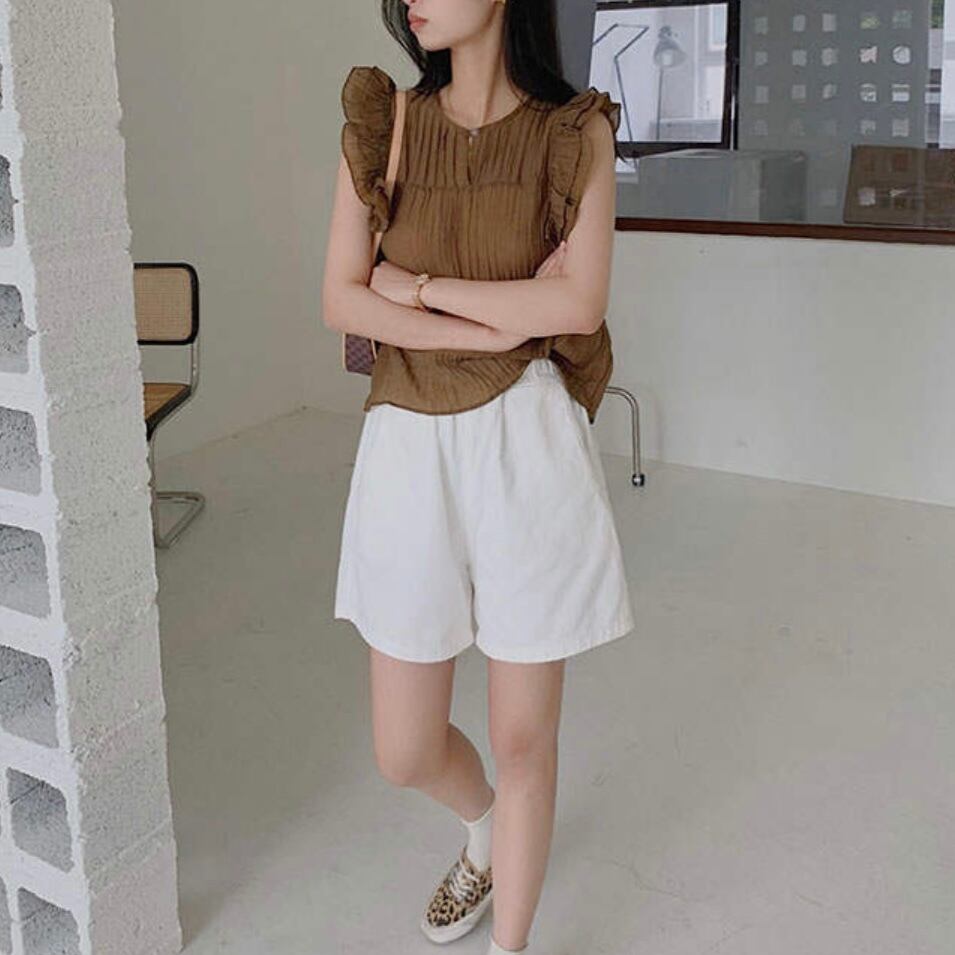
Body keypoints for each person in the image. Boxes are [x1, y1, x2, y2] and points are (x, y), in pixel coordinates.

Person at [322, 1, 636, 952]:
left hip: (525, 448)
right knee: (403, 747)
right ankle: (483, 827)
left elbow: (578, 305)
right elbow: (339, 298)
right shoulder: (385, 124)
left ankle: (512, 943)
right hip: (406, 449)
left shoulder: (571, 133)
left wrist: (414, 289)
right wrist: (506, 314)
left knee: (522, 740)